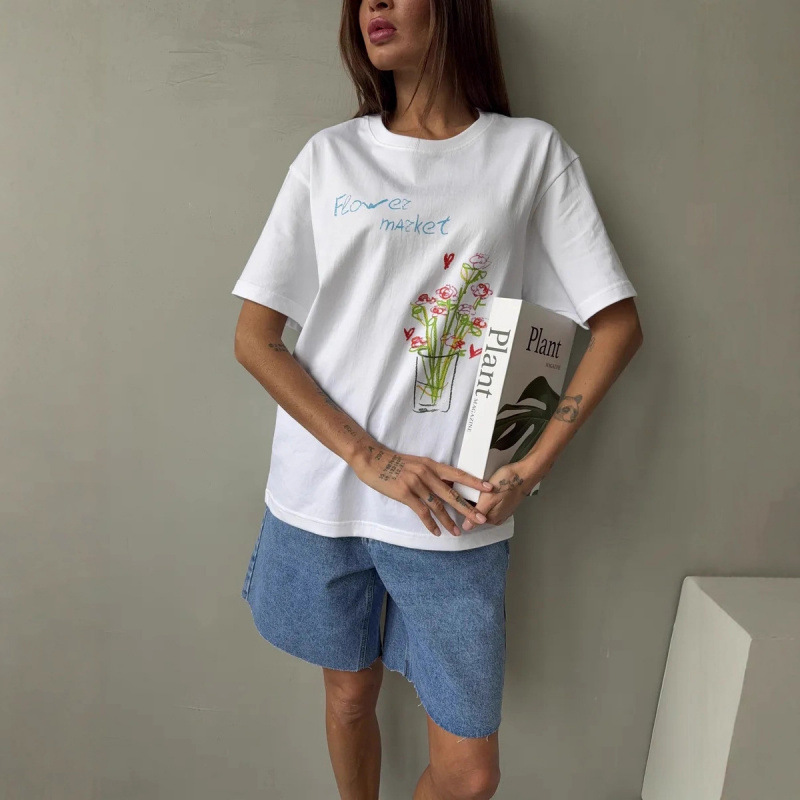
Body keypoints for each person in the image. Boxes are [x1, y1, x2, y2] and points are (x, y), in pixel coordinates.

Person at [231, 0, 643, 797]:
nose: (374, 6)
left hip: (452, 513)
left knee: (470, 776)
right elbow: (256, 339)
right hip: (324, 495)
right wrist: (372, 459)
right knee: (349, 697)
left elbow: (617, 327)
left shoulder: (529, 154)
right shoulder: (329, 158)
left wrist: (531, 465)